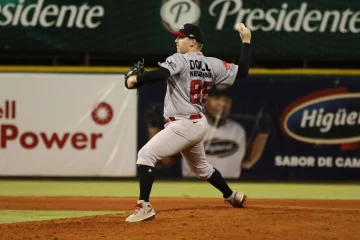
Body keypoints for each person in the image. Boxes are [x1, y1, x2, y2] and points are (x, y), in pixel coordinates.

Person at [124, 22, 251, 222]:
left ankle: (144, 207)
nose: (176, 40)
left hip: (183, 124)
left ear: (192, 42)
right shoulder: (213, 63)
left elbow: (161, 74)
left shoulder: (179, 59)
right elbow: (243, 71)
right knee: (202, 169)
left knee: (145, 155)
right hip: (198, 123)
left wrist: (136, 79)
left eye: (180, 37)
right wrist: (246, 41)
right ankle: (232, 196)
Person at [181, 84, 270, 179]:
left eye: (226, 100)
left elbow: (248, 162)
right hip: (195, 190)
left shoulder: (237, 130)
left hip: (229, 190)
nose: (222, 103)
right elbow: (167, 161)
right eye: (216, 98)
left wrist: (263, 133)